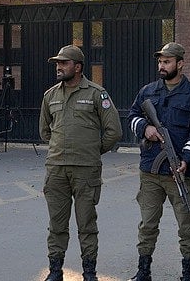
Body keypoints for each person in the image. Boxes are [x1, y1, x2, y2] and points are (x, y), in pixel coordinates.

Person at [127, 42, 190, 281]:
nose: (162, 66)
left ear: (180, 64)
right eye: (160, 62)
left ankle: (188, 273)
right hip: (151, 170)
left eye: (167, 62)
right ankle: (143, 271)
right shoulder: (148, 91)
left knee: (187, 227)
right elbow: (132, 115)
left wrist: (186, 159)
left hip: (180, 172)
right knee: (147, 225)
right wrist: (145, 127)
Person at [39, 45, 122, 281]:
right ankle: (55, 271)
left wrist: (93, 151)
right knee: (56, 225)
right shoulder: (50, 95)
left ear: (77, 67)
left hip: (86, 170)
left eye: (63, 63)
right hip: (56, 169)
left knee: (86, 224)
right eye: (57, 63)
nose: (58, 67)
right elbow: (45, 132)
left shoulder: (97, 94)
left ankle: (89, 273)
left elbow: (113, 131)